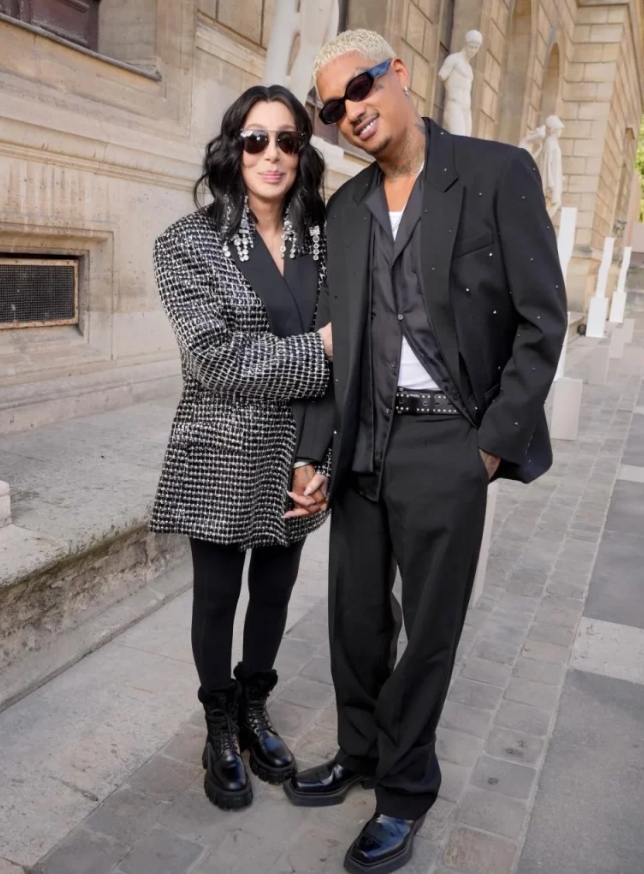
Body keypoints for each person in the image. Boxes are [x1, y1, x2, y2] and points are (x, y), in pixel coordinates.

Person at [283, 29, 567, 873]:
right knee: (355, 615)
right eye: (332, 109)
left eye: (361, 88)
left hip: (450, 440)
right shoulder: (346, 209)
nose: (350, 112)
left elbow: (542, 321)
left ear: (398, 74)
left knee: (429, 629)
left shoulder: (495, 172)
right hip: (364, 436)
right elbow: (336, 344)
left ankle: (405, 790)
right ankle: (360, 752)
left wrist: (489, 448)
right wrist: (314, 451)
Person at [150, 85, 331, 812]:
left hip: (300, 454)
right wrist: (323, 347)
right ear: (234, 148)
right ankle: (219, 726)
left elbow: (354, 352)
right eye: (257, 139)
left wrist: (317, 457)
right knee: (218, 596)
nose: (272, 154)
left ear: (302, 152)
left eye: (288, 140)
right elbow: (216, 360)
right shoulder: (185, 243)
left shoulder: (324, 240)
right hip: (219, 451)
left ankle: (255, 709)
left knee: (276, 593)